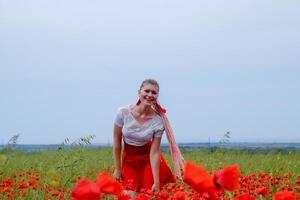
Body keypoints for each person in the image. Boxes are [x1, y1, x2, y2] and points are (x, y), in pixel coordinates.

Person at [112, 79, 184, 198]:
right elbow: (116, 142)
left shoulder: (158, 121)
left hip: (148, 161)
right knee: (129, 195)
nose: (150, 95)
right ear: (139, 92)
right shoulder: (123, 113)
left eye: (154, 93)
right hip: (129, 160)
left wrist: (156, 182)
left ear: (157, 96)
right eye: (147, 91)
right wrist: (117, 169)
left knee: (148, 195)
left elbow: (155, 152)